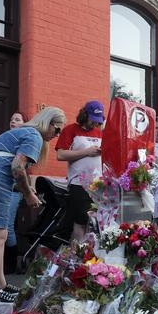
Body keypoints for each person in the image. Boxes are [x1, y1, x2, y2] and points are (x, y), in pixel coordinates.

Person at [0, 106, 66, 304]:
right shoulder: (34, 135)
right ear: (49, 123)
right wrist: (29, 194)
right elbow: (17, 167)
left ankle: (1, 286)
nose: (57, 135)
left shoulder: (25, 132)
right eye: (57, 130)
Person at [55, 100, 104, 241]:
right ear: (84, 115)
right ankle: (77, 257)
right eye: (92, 119)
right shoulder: (70, 130)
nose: (95, 123)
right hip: (79, 183)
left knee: (94, 222)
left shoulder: (100, 133)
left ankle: (88, 256)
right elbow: (61, 155)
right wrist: (87, 152)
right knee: (81, 221)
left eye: (98, 120)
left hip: (98, 184)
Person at [4, 111, 29, 274]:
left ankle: (11, 264)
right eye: (12, 119)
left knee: (7, 225)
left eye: (17, 120)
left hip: (13, 189)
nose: (13, 122)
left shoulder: (25, 142)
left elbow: (20, 169)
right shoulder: (4, 139)